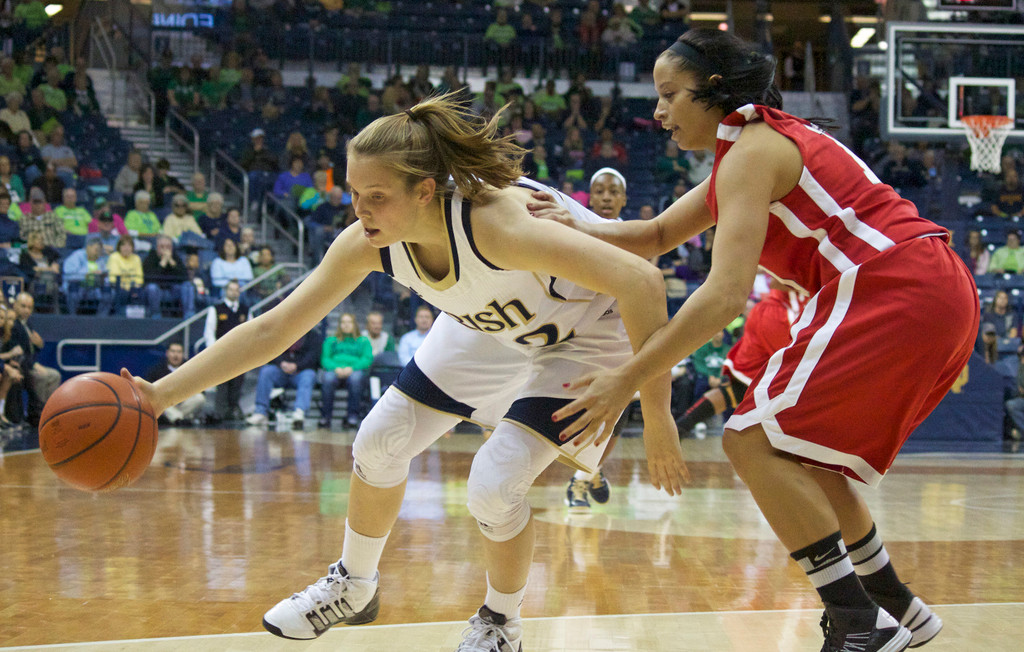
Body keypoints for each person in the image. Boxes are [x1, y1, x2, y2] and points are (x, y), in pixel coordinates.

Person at [121, 93, 678, 651]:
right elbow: (273, 329)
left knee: (493, 485)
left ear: (425, 192)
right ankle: (354, 585)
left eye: (377, 197)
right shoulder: (371, 241)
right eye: (355, 194)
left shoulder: (499, 225)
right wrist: (160, 395)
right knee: (379, 440)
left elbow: (644, 283)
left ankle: (500, 623)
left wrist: (656, 415)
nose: (361, 211)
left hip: (587, 334)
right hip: (495, 327)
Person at [531, 29, 973, 651]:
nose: (657, 112)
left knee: (749, 440)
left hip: (891, 282)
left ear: (712, 91)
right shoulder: (752, 147)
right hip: (927, 285)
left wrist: (626, 379)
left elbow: (724, 297)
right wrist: (577, 224)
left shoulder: (753, 151)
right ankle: (895, 605)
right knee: (799, 454)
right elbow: (657, 234)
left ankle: (857, 622)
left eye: (668, 95)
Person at [675, 279, 805, 438]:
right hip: (783, 311)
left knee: (737, 388)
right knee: (803, 381)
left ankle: (680, 427)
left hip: (769, 310)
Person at [245, 326, 323, 428]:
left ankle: (299, 413)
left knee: (309, 375)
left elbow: (314, 356)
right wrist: (281, 363)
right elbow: (272, 350)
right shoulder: (280, 332)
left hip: (301, 371)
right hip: (281, 370)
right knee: (266, 372)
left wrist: (297, 366)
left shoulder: (313, 335)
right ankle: (260, 412)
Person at [9, 291, 60, 426]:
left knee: (54, 376)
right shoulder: (13, 325)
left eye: (29, 307)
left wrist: (39, 344)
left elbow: (30, 347)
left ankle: (48, 412)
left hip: (29, 363)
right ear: (15, 305)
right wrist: (33, 365)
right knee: (43, 377)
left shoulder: (27, 324)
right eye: (23, 306)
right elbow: (17, 352)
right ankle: (36, 416)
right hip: (21, 366)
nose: (26, 310)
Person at [203, 279, 248, 422]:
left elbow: (250, 332)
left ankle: (233, 410)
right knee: (222, 383)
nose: (234, 292)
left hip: (240, 354)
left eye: (236, 289)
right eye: (231, 289)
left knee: (237, 383)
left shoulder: (246, 310)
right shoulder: (216, 309)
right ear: (226, 291)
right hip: (221, 353)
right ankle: (220, 413)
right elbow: (209, 332)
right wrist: (215, 351)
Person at [319, 312, 373, 429]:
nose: (346, 325)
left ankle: (352, 417)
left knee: (355, 379)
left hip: (354, 370)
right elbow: (325, 359)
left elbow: (367, 359)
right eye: (343, 322)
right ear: (339, 325)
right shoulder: (331, 341)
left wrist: (352, 368)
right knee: (328, 379)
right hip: (335, 370)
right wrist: (335, 368)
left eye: (349, 322)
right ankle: (325, 417)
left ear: (355, 324)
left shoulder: (363, 341)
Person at [144, 342, 206, 425]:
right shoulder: (157, 369)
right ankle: (181, 419)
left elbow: (201, 388)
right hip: (166, 404)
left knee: (200, 398)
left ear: (183, 354)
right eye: (173, 351)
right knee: (160, 403)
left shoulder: (189, 368)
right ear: (167, 353)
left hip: (184, 403)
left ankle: (176, 419)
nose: (175, 355)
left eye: (179, 352)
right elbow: (149, 390)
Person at [142, 235, 196, 318]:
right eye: (162, 246)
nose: (165, 249)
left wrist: (171, 261)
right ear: (157, 247)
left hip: (173, 290)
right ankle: (156, 316)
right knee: (152, 288)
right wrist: (163, 263)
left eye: (168, 247)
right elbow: (150, 278)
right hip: (157, 291)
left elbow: (185, 277)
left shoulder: (175, 257)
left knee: (188, 286)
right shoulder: (150, 257)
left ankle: (189, 316)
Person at [62, 235, 113, 315]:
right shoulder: (77, 256)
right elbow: (68, 275)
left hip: (95, 288)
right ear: (88, 247)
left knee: (109, 292)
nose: (98, 252)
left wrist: (103, 277)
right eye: (96, 249)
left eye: (99, 250)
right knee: (73, 289)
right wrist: (86, 275)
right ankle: (72, 316)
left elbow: (107, 277)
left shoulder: (101, 260)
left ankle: (101, 318)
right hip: (79, 287)